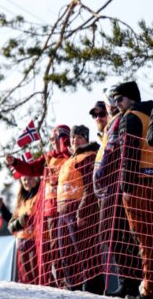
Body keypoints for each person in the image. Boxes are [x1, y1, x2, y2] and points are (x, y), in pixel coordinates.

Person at [6, 124, 71, 288]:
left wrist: (63, 143)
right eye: (51, 139)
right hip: (49, 212)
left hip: (65, 208)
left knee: (64, 249)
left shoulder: (69, 156)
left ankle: (67, 283)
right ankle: (57, 285)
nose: (52, 142)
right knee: (53, 252)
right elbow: (31, 168)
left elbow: (68, 153)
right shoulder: (49, 158)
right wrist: (15, 162)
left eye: (56, 138)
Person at [93, 88, 142, 298]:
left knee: (116, 234)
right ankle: (128, 281)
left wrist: (102, 174)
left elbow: (113, 152)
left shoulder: (120, 121)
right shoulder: (110, 125)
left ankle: (131, 281)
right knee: (112, 234)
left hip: (116, 183)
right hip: (108, 188)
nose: (112, 104)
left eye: (116, 100)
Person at [116, 81, 153, 298]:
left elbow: (128, 153)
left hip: (139, 185)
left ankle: (150, 290)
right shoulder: (152, 113)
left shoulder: (130, 117)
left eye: (119, 99)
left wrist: (126, 186)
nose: (117, 104)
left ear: (130, 98)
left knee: (146, 240)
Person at [56, 125, 104, 293]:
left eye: (79, 137)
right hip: (63, 212)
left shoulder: (89, 156)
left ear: (86, 139)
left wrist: (82, 211)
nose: (75, 140)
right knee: (66, 255)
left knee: (86, 254)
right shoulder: (69, 160)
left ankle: (93, 291)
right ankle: (73, 290)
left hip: (80, 210)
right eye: (72, 137)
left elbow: (90, 187)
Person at [8, 175, 41, 285]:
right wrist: (18, 223)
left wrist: (26, 219)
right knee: (24, 277)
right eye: (24, 180)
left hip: (34, 240)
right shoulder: (21, 199)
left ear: (36, 179)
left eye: (30, 178)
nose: (27, 182)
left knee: (35, 275)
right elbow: (11, 223)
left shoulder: (39, 195)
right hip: (21, 241)